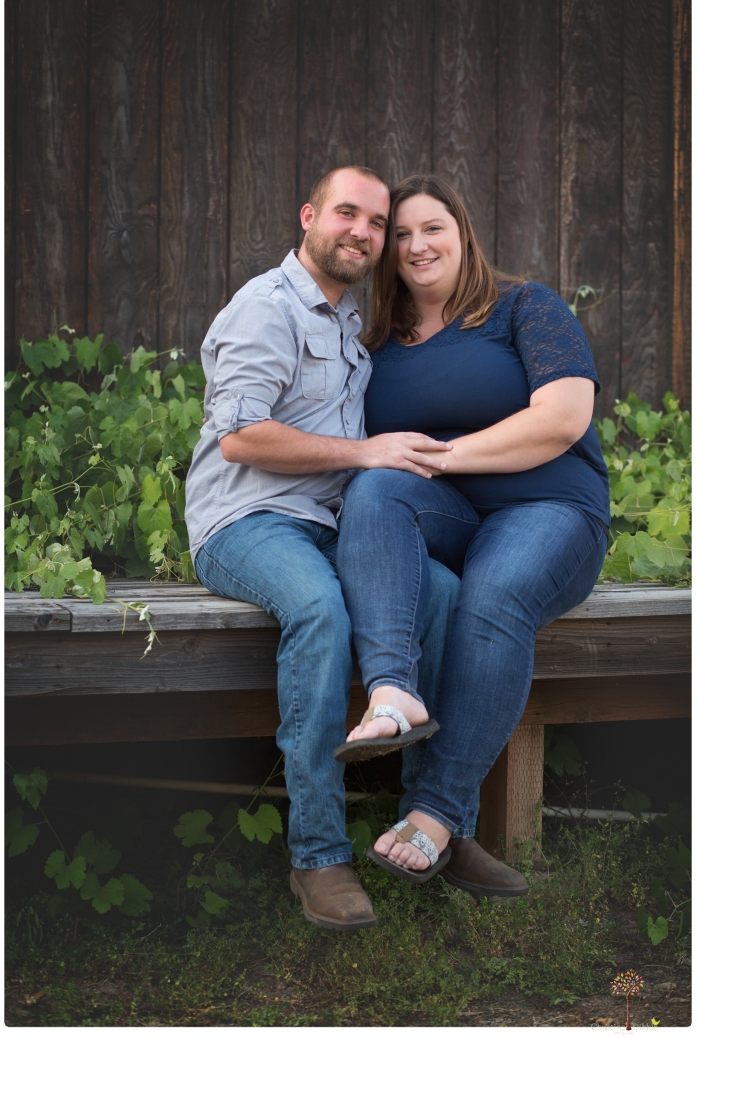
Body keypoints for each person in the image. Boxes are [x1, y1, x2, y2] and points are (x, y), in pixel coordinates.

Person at [185, 166, 459, 931]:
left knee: (438, 591)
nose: (362, 233)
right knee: (319, 608)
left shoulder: (348, 321)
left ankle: (428, 822)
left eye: (376, 224)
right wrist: (368, 453)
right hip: (245, 522)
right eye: (348, 214)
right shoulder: (266, 307)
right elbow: (242, 438)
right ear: (309, 216)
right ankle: (318, 854)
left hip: (328, 524)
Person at [335, 174, 610, 891]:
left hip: (550, 507)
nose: (417, 245)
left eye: (433, 228)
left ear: (463, 234)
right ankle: (393, 692)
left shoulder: (525, 308)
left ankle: (436, 812)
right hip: (452, 516)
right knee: (375, 485)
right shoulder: (376, 346)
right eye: (401, 234)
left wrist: (447, 456)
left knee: (492, 594)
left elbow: (562, 418)